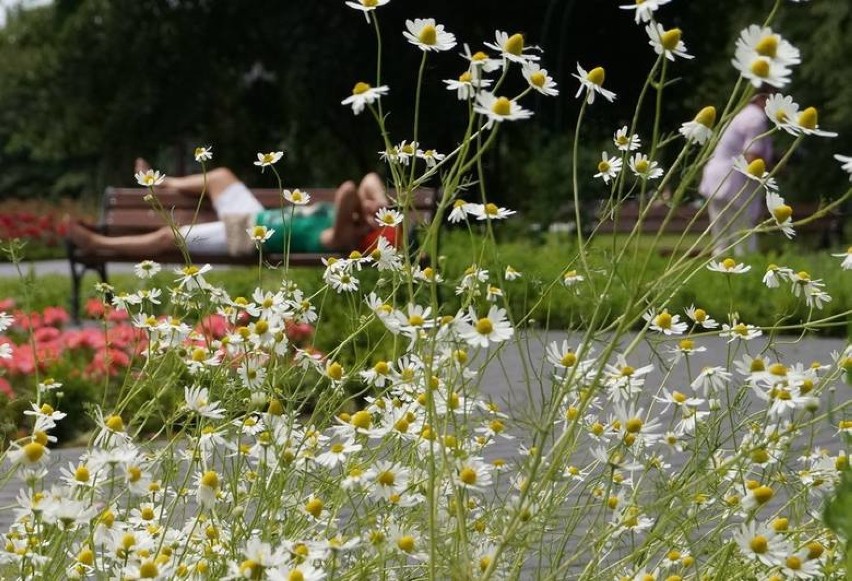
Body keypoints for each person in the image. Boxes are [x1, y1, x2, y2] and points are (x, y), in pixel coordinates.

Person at [68, 160, 397, 257]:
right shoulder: (348, 223)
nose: (369, 222)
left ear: (363, 237)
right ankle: (163, 183)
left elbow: (348, 190)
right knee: (221, 175)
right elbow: (368, 177)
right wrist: (379, 202)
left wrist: (363, 207)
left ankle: (100, 245)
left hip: (247, 235)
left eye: (372, 227)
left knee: (169, 238)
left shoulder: (336, 238)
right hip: (255, 216)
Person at [698, 93, 773, 256]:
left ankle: (718, 273)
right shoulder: (756, 118)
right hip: (734, 180)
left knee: (720, 236)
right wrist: (773, 168)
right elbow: (752, 157)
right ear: (761, 98)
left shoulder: (741, 115)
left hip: (715, 177)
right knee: (743, 234)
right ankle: (747, 274)